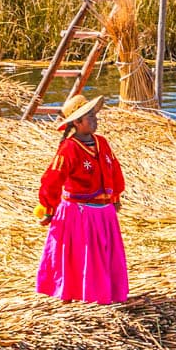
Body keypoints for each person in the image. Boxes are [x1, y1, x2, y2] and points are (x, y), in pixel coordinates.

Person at [36, 93, 129, 304]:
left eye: (95, 116)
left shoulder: (102, 143)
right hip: (80, 213)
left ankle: (106, 293)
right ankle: (76, 293)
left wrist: (115, 196)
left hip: (104, 212)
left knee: (104, 255)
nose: (96, 120)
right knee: (82, 255)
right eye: (90, 117)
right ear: (77, 123)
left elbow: (114, 169)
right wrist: (48, 209)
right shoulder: (69, 148)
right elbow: (52, 179)